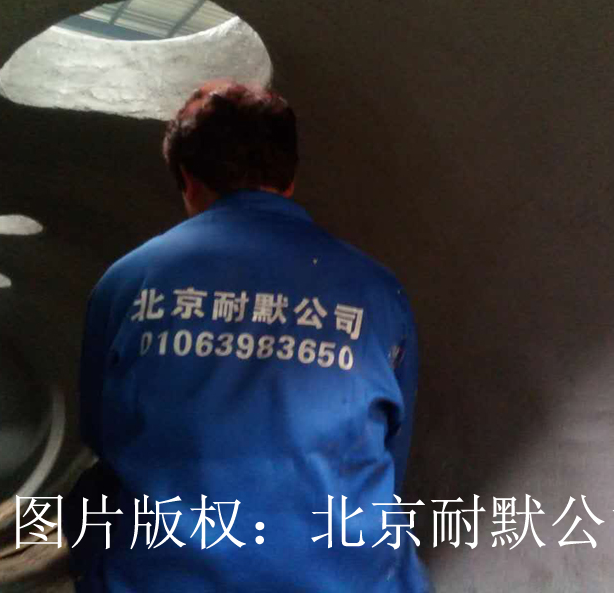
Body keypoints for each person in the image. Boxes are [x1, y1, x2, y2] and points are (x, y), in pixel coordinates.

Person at [70, 79, 429, 592]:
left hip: (165, 576)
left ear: (188, 179)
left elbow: (100, 431)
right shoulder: (377, 290)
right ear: (290, 177)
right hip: (350, 575)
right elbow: (393, 451)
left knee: (91, 499)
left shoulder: (129, 282)